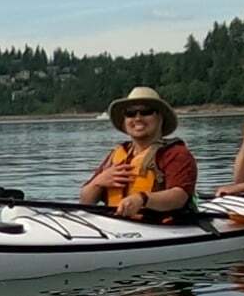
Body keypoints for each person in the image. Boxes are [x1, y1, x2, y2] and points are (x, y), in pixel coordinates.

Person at [78, 85, 197, 221]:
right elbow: (85, 201)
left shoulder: (176, 154)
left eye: (146, 112)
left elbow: (179, 197)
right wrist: (97, 183)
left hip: (160, 228)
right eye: (130, 113)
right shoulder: (116, 155)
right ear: (125, 121)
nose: (138, 118)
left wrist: (142, 199)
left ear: (160, 118)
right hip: (117, 226)